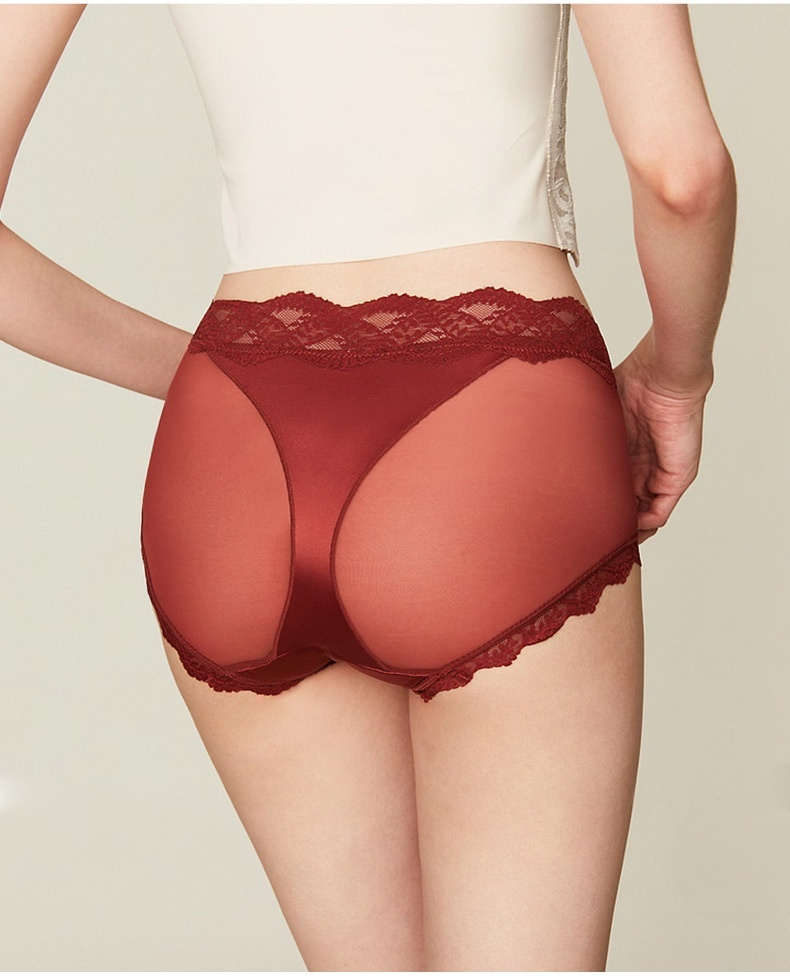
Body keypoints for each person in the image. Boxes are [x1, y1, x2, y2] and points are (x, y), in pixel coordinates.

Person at [0, 3, 736, 971]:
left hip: (235, 454)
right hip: (489, 426)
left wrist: (215, 377)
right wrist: (677, 375)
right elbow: (680, 174)